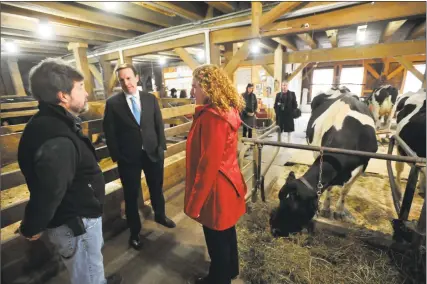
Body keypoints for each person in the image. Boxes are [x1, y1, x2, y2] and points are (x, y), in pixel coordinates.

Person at [17, 58, 122, 284]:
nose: (86, 94)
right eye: (81, 87)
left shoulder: (54, 123)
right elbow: (50, 190)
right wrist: (32, 225)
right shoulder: (56, 136)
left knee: (91, 265)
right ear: (62, 95)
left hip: (81, 217)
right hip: (76, 223)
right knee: (87, 276)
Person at [185, 64, 248, 284]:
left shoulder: (213, 117)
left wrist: (195, 202)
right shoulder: (224, 111)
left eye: (194, 86)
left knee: (216, 238)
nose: (192, 91)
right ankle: (230, 270)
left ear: (207, 87)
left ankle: (219, 278)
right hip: (227, 183)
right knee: (227, 232)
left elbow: (208, 164)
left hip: (215, 190)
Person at [103, 63, 176, 251]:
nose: (126, 83)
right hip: (129, 158)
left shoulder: (150, 99)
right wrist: (118, 156)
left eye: (129, 78)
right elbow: (109, 132)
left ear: (137, 77)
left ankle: (160, 215)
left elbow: (158, 124)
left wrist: (161, 147)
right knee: (131, 194)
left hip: (152, 153)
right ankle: (134, 232)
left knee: (156, 187)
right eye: (122, 80)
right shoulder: (113, 104)